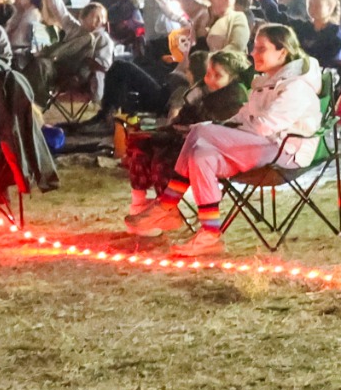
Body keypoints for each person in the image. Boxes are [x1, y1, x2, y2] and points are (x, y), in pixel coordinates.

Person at [133, 23, 325, 238]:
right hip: (264, 145)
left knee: (200, 133)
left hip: (286, 151)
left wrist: (220, 130)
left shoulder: (295, 86)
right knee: (201, 155)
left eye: (261, 48)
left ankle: (168, 203)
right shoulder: (266, 82)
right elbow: (244, 117)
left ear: (283, 51)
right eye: (254, 47)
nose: (253, 53)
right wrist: (223, 127)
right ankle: (209, 235)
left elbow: (264, 126)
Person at [121, 49, 251, 221]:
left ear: (233, 78)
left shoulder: (233, 101)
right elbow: (183, 118)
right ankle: (139, 204)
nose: (210, 79)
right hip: (182, 136)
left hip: (206, 148)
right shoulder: (200, 93)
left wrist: (181, 130)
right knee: (140, 142)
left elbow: (219, 130)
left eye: (217, 75)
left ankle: (167, 211)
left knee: (163, 158)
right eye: (208, 74)